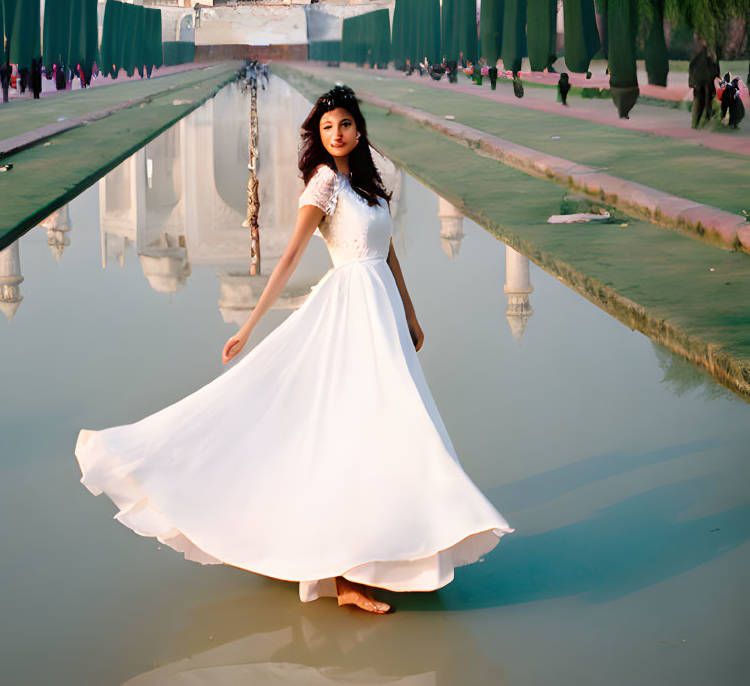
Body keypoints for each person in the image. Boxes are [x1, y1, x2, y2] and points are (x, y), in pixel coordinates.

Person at [76, 85, 512, 615]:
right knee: (350, 433)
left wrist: (411, 312)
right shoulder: (324, 182)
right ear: (318, 136)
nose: (337, 134)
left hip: (381, 316)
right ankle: (344, 575)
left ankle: (392, 546)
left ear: (358, 129)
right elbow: (288, 260)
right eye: (328, 128)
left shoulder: (371, 184)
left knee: (393, 429)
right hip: (349, 316)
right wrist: (250, 325)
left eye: (345, 125)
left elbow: (388, 253)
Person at [688, 40, 720, 130]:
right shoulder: (705, 57)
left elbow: (715, 72)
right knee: (701, 104)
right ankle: (699, 125)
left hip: (705, 84)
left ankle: (699, 124)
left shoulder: (709, 57)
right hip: (702, 84)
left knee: (702, 104)